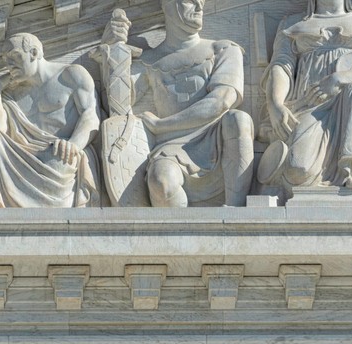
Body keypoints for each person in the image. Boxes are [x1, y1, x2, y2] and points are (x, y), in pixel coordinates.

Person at [96, 0, 254, 207]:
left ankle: (236, 212)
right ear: (166, 5)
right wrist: (112, 53)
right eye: (189, 1)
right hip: (171, 147)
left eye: (202, 2)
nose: (199, 8)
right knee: (161, 181)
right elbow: (117, 109)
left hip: (217, 137)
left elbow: (222, 100)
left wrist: (161, 125)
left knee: (238, 119)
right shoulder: (149, 61)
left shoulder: (222, 49)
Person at [259, 0, 352, 201]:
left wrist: (340, 78)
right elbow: (281, 67)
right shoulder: (291, 24)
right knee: (298, 169)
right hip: (309, 107)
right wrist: (275, 103)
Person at [0, 33, 100, 208]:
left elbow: (91, 115)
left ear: (34, 53)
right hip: (19, 157)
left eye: (14, 56)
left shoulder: (71, 74)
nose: (8, 64)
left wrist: (74, 144)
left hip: (58, 155)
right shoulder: (11, 91)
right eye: (6, 59)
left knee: (58, 161)